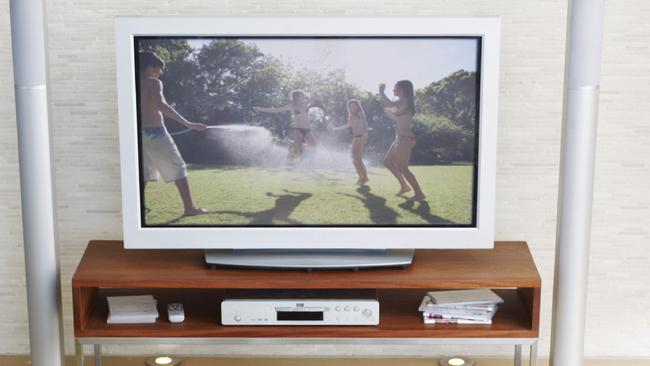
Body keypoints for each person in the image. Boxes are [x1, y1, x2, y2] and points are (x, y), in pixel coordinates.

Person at [139, 51, 207, 216]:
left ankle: (139, 208)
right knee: (178, 167)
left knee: (144, 171)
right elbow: (160, 105)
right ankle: (190, 208)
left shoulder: (131, 83)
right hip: (155, 133)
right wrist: (188, 123)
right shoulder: (153, 82)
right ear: (149, 67)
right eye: (158, 68)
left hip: (138, 134)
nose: (159, 72)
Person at [378, 80, 425, 201]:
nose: (393, 90)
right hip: (399, 138)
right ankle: (404, 186)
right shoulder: (404, 103)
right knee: (387, 163)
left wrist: (381, 92)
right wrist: (390, 114)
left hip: (405, 138)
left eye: (395, 88)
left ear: (402, 89)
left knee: (403, 168)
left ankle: (419, 193)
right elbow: (399, 119)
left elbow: (389, 103)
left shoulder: (404, 100)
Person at [253, 90, 318, 158]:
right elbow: (276, 110)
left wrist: (315, 96)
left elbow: (315, 97)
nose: (303, 97)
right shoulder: (291, 106)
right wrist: (260, 109)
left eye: (303, 96)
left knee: (314, 146)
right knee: (299, 150)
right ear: (296, 97)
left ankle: (291, 144)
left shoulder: (306, 103)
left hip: (307, 129)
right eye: (301, 96)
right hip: (298, 129)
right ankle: (295, 149)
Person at [330, 99, 369, 185]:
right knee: (354, 159)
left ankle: (364, 177)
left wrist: (364, 134)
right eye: (351, 106)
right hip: (356, 137)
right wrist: (336, 129)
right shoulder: (351, 116)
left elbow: (364, 123)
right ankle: (361, 177)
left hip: (361, 136)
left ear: (358, 106)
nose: (353, 107)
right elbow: (348, 125)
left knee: (357, 158)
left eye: (354, 105)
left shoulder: (359, 114)